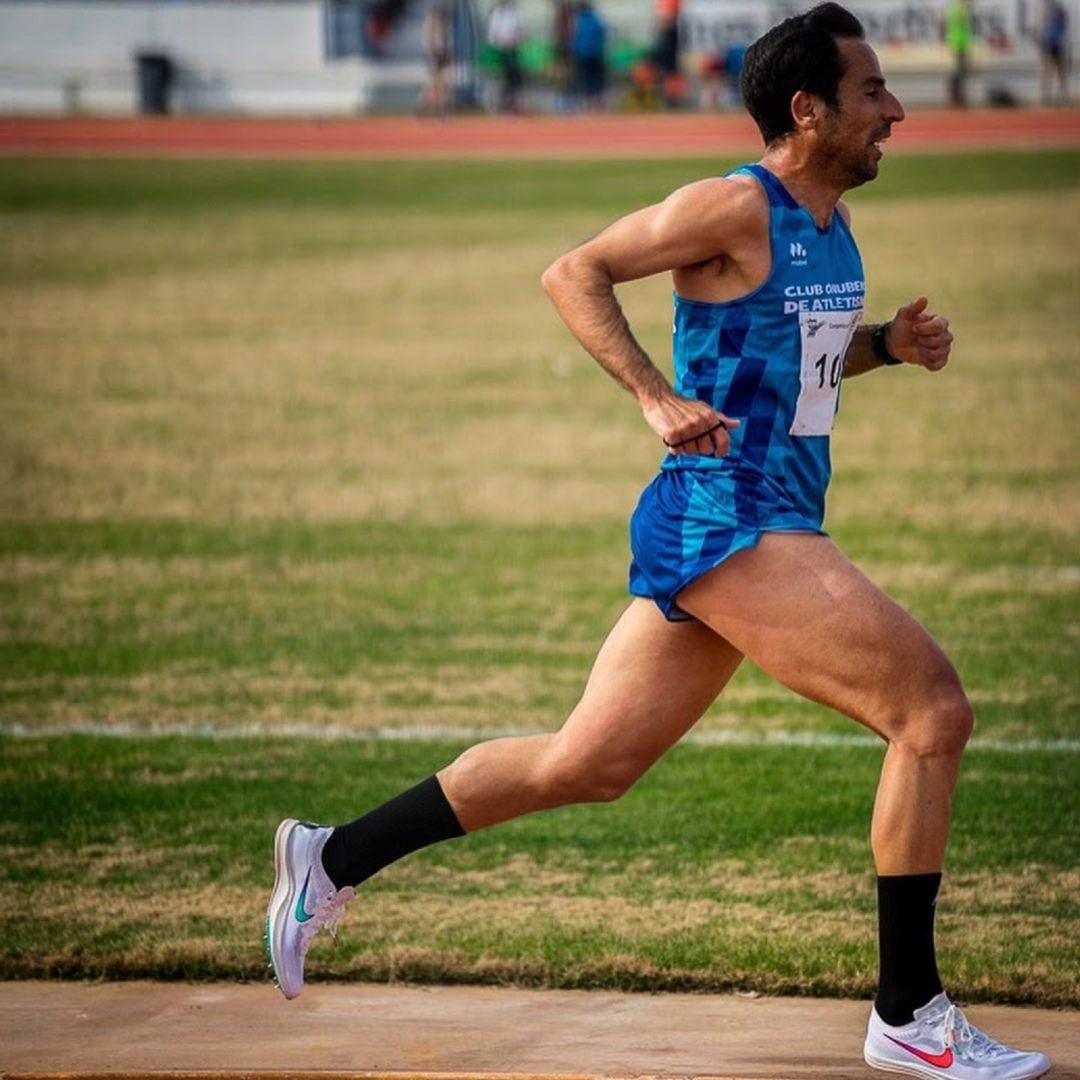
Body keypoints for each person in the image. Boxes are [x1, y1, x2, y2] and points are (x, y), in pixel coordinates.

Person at [265, 5, 1051, 1077]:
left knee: (587, 763)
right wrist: (650, 393)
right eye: (873, 93)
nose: (896, 111)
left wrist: (884, 346)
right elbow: (572, 270)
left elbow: (792, 366)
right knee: (931, 711)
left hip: (758, 515)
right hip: (728, 514)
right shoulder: (733, 204)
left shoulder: (829, 227)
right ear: (807, 109)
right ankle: (909, 1014)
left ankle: (329, 856)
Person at [486, 0, 525, 112]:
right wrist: (500, 43)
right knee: (503, 78)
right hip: (501, 50)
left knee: (515, 78)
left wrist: (517, 39)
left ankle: (513, 104)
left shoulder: (515, 11)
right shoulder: (497, 13)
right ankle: (502, 104)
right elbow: (492, 34)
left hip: (514, 49)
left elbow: (520, 29)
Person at [570, 0, 607, 110]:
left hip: (582, 54)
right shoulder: (596, 19)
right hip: (595, 53)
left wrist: (574, 50)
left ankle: (588, 101)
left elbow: (574, 37)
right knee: (596, 78)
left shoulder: (578, 20)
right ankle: (596, 101)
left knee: (585, 78)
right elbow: (602, 34)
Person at [419, 2, 452, 116]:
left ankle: (439, 108)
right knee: (434, 82)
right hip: (434, 55)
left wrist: (445, 53)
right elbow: (429, 40)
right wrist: (433, 53)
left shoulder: (443, 21)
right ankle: (428, 107)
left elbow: (444, 40)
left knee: (442, 82)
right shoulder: (431, 21)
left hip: (442, 54)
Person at [1038, 0, 1070, 104]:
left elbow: (1064, 24)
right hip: (1048, 43)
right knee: (1048, 71)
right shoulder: (1044, 9)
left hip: (1057, 43)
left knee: (1060, 71)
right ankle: (1047, 97)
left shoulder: (1059, 9)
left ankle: (1062, 96)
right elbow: (1041, 28)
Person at [945, 0, 975, 107]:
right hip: (959, 43)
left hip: (961, 42)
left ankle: (957, 93)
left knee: (962, 70)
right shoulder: (958, 8)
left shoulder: (959, 7)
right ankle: (955, 94)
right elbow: (958, 23)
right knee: (960, 70)